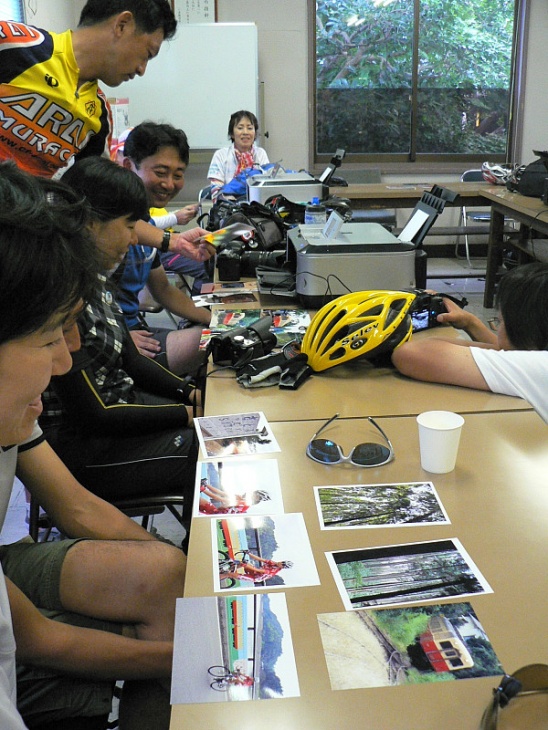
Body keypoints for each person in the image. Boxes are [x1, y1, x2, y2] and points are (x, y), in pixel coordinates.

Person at [0, 160, 186, 729]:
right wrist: (182, 659)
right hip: (24, 636)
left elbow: (75, 507)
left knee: (168, 576)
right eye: (51, 335)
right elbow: (35, 640)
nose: (64, 359)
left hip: (13, 568)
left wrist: (170, 564)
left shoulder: (14, 412)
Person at [39, 157, 199, 532]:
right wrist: (189, 415)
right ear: (89, 222)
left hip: (114, 424)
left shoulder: (93, 277)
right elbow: (94, 414)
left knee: (217, 424)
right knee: (211, 451)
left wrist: (189, 394)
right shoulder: (59, 295)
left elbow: (132, 360)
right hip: (84, 451)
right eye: (128, 226)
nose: (133, 238)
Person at [0, 1, 215, 267]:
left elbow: (102, 206)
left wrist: (174, 242)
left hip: (20, 245)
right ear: (122, 25)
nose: (141, 70)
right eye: (147, 54)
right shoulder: (13, 45)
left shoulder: (98, 117)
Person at [391, 262, 548, 423]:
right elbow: (512, 352)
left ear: (522, 329)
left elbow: (409, 353)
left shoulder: (539, 366)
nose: (497, 328)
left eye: (500, 322)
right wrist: (470, 323)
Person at [119, 122, 212, 373]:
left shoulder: (147, 223)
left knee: (220, 336)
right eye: (160, 172)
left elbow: (163, 289)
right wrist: (119, 338)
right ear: (129, 167)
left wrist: (214, 319)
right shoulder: (109, 222)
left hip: (136, 332)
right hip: (119, 342)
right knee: (215, 346)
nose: (169, 184)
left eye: (178, 174)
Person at [207, 110, 269, 201]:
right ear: (232, 134)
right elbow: (216, 189)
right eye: (240, 128)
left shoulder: (260, 153)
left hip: (256, 206)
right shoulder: (220, 155)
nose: (245, 132)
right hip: (228, 205)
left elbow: (266, 185)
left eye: (250, 128)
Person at [220, 552, 293, 584]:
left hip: (254, 577)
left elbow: (257, 569)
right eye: (283, 562)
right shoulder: (273, 563)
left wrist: (246, 565)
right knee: (242, 563)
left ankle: (217, 577)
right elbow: (260, 559)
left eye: (283, 565)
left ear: (282, 567)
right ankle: (226, 569)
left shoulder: (272, 571)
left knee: (230, 574)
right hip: (255, 572)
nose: (281, 563)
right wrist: (249, 553)